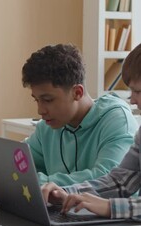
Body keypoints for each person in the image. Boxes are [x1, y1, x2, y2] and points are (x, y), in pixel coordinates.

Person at [42, 43, 141, 220]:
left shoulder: (117, 117)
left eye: (139, 91)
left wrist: (111, 207)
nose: (132, 100)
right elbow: (120, 182)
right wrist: (66, 193)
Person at [22, 44, 138, 186]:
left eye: (48, 100)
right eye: (36, 99)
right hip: (64, 208)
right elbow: (17, 162)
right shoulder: (46, 127)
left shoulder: (117, 120)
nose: (40, 110)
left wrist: (38, 181)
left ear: (77, 92)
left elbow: (108, 178)